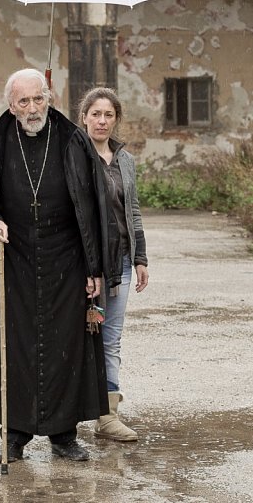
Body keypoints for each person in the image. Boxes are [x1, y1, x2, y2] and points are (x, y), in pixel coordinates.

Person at [0, 68, 119, 462]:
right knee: (16, 347)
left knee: (68, 346)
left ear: (49, 97)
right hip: (16, 258)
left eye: (38, 99)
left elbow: (93, 208)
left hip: (66, 259)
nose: (32, 108)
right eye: (23, 102)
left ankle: (64, 435)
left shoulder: (72, 139)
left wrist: (94, 268)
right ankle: (13, 435)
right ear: (11, 106)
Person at [77, 87, 150, 442]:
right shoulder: (74, 157)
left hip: (120, 262)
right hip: (85, 265)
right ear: (84, 117)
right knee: (78, 337)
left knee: (110, 339)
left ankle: (107, 416)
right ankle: (72, 411)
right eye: (96, 114)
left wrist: (140, 258)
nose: (102, 121)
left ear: (116, 119)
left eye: (108, 115)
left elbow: (131, 210)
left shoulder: (125, 160)